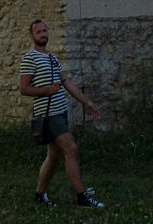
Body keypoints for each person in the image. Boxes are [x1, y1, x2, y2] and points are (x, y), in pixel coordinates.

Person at [19, 19, 104, 209]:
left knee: (53, 155)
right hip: (48, 115)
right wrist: (47, 90)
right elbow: (24, 89)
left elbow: (68, 84)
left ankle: (39, 195)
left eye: (45, 30)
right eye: (39, 32)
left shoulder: (52, 58)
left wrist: (87, 102)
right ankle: (82, 198)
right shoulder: (30, 58)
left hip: (61, 112)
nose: (43, 34)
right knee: (71, 149)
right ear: (32, 35)